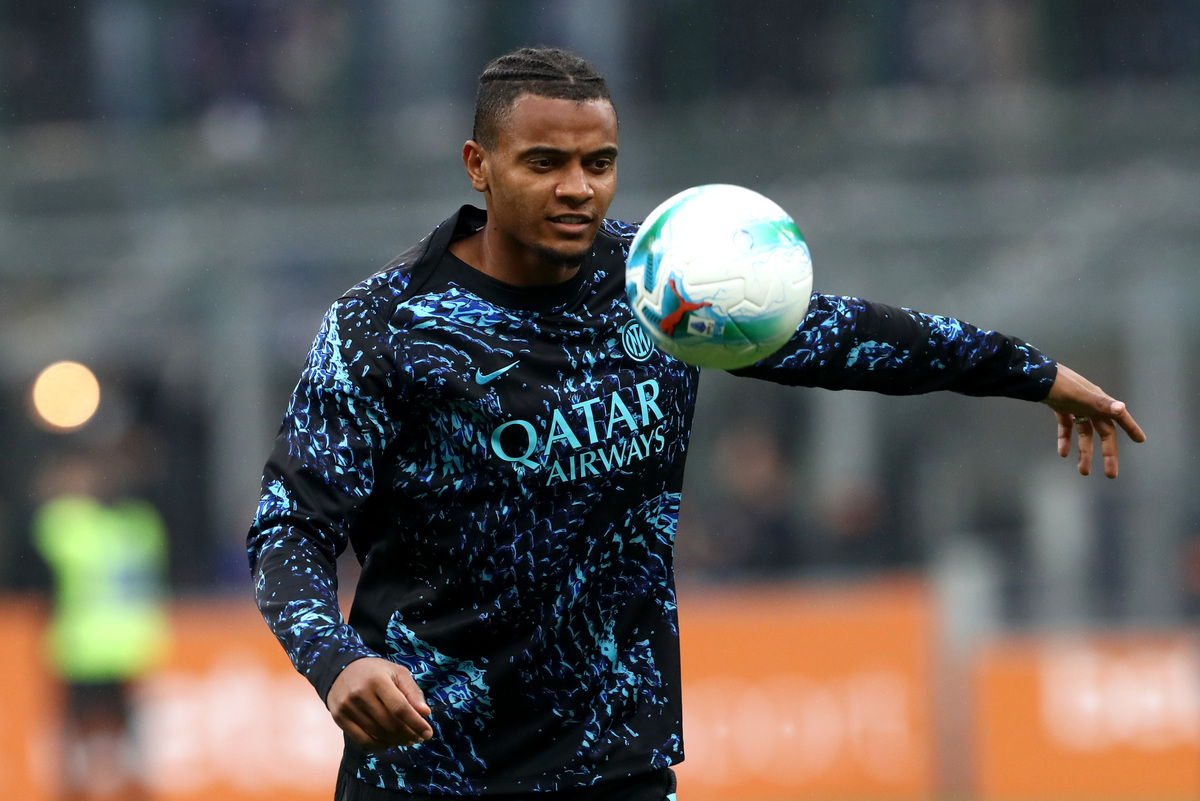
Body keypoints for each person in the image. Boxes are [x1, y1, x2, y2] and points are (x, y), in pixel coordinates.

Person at [248, 47, 1145, 801]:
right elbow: (289, 525)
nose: (578, 189)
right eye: (544, 163)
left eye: (599, 163)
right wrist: (334, 659)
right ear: (478, 165)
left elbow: (847, 337)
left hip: (617, 762)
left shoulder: (662, 281)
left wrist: (1032, 374)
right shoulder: (388, 326)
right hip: (431, 767)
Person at [33, 450, 170, 801]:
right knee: (132, 745)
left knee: (74, 746)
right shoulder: (143, 526)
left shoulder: (73, 527)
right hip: (133, 647)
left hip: (82, 648)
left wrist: (65, 486)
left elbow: (44, 519)